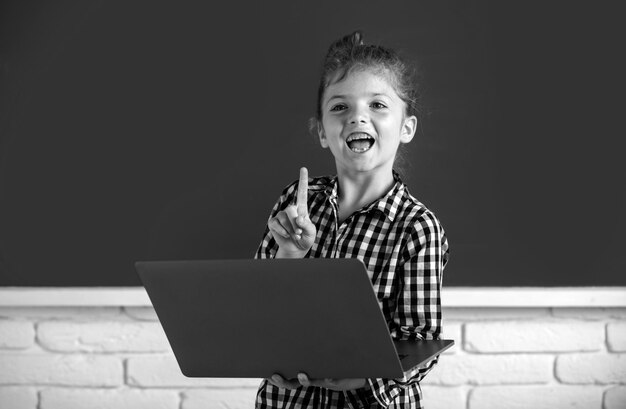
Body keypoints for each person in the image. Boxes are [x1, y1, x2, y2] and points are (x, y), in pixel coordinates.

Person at [254, 31, 450, 409]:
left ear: (406, 127)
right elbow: (259, 310)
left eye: (378, 104)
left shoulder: (417, 227)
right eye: (340, 107)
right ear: (322, 133)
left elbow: (421, 341)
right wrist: (290, 255)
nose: (358, 115)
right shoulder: (297, 202)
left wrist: (363, 375)